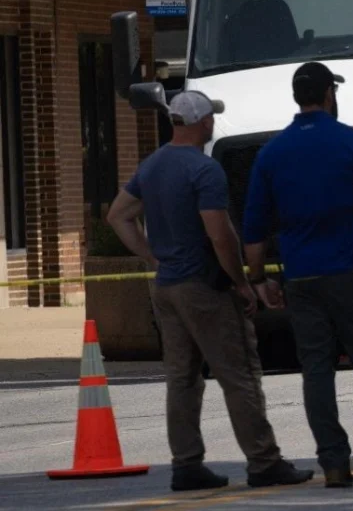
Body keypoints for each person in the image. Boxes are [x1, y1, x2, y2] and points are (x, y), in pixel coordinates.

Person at [106, 90, 314, 492]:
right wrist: (242, 283)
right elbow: (220, 235)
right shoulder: (204, 170)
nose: (213, 123)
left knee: (182, 379)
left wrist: (153, 258)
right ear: (203, 122)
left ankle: (186, 465)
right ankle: (263, 461)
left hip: (166, 288)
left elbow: (118, 216)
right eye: (211, 118)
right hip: (204, 287)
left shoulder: (151, 166)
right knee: (240, 375)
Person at [241, 61, 353, 489]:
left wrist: (259, 279)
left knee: (316, 370)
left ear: (297, 97)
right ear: (329, 94)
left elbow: (255, 228)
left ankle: (334, 465)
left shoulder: (272, 153)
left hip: (301, 280)